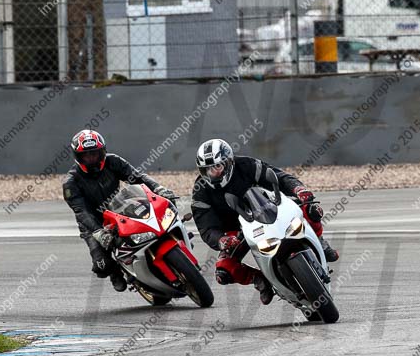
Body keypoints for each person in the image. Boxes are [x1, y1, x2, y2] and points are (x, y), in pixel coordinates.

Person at [191, 138, 339, 305]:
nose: (213, 173)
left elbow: (280, 177)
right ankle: (260, 280)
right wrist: (221, 240)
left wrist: (299, 189)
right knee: (224, 271)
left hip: (267, 208)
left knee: (311, 209)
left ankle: (319, 241)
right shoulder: (200, 191)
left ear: (228, 161)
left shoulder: (246, 164)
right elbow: (206, 228)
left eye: (217, 166)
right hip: (238, 231)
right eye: (207, 169)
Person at [63, 129, 177, 292]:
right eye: (87, 156)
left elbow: (137, 177)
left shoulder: (113, 161)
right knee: (102, 265)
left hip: (119, 208)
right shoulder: (71, 182)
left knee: (155, 223)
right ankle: (115, 272)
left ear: (102, 151)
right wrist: (98, 232)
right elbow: (81, 211)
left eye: (95, 153)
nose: (92, 159)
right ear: (78, 157)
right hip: (93, 222)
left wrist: (158, 188)